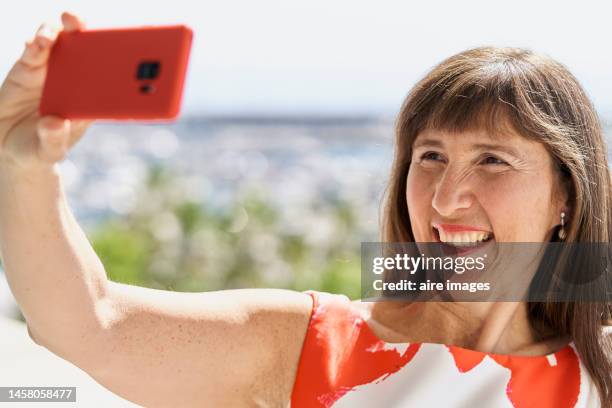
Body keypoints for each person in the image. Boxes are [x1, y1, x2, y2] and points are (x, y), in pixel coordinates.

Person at [0, 12, 610, 408]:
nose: (447, 197)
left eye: (493, 162)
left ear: (565, 195)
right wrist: (25, 166)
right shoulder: (314, 344)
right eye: (429, 157)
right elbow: (89, 323)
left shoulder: (599, 371)